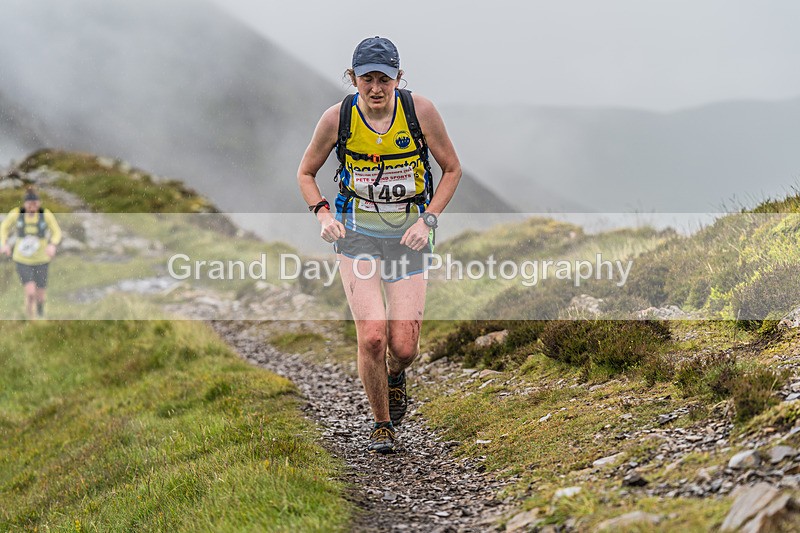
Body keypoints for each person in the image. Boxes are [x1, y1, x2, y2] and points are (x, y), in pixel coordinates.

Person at [297, 36, 461, 453]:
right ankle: (382, 423)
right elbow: (305, 173)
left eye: (383, 79)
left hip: (408, 235)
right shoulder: (337, 118)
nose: (374, 88)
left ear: (397, 78)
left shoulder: (419, 111)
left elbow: (453, 169)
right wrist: (322, 214)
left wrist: (428, 219)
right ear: (353, 78)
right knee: (372, 335)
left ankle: (395, 374)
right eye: (366, 79)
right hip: (356, 235)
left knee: (403, 347)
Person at [0, 188, 62, 319]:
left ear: (39, 203)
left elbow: (57, 232)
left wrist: (52, 244)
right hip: (22, 260)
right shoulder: (16, 214)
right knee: (30, 293)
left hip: (42, 260)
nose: (32, 207)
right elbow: (3, 228)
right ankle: (30, 319)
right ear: (25, 204)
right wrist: (4, 244)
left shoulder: (46, 215)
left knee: (40, 295)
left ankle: (40, 313)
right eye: (29, 204)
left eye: (35, 204)